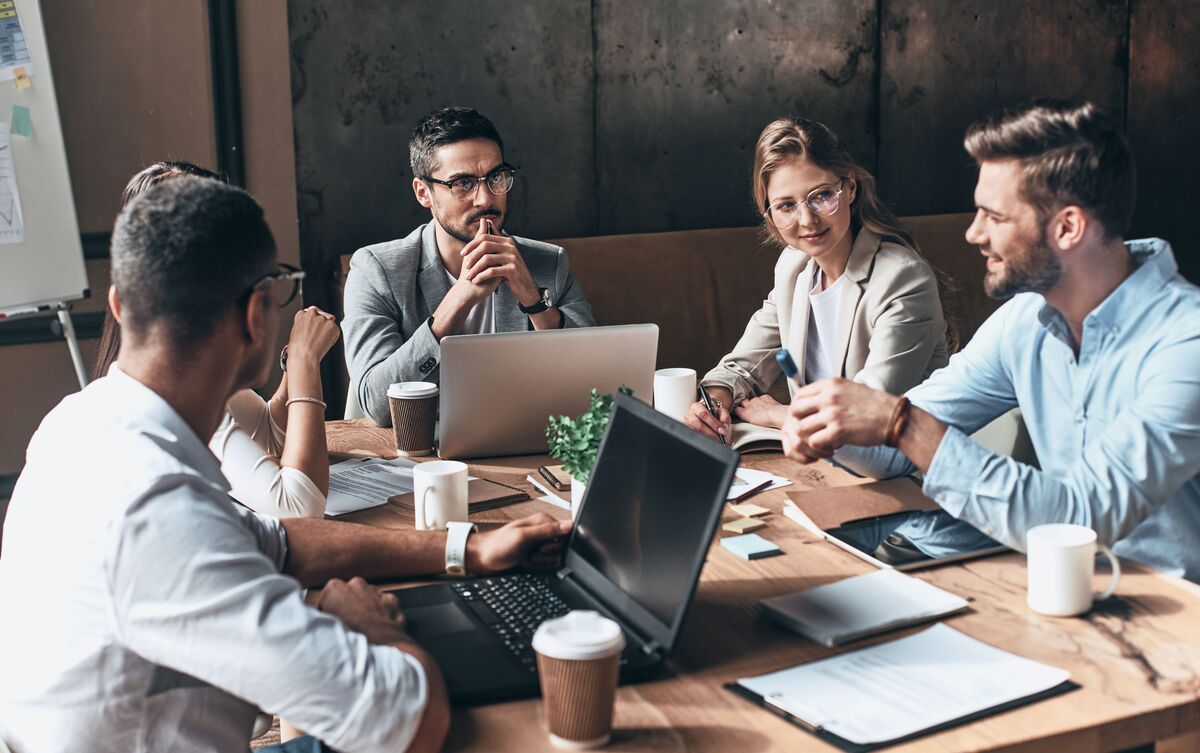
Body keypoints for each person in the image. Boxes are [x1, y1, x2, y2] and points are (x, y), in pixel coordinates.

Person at [0, 178, 573, 753]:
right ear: (256, 317)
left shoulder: (76, 423)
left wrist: (467, 549)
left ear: (120, 305)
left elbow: (282, 542)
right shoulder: (156, 512)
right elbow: (409, 719)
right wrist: (368, 624)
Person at [781, 99, 1200, 581]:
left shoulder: (1185, 343)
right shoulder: (1024, 321)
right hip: (1060, 589)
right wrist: (833, 422)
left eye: (994, 217)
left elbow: (1081, 518)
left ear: (1067, 227)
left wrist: (900, 423)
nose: (972, 233)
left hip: (1174, 622)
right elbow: (892, 449)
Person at [93, 161, 339, 518]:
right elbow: (298, 511)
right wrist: (304, 362)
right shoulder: (177, 395)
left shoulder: (99, 402)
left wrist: (293, 367)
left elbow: (267, 435)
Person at [684, 117, 952, 442]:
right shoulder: (793, 268)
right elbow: (743, 367)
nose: (807, 219)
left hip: (898, 474)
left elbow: (868, 414)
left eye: (822, 196)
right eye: (786, 205)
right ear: (768, 212)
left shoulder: (902, 278)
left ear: (850, 188)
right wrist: (713, 403)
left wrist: (779, 414)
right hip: (820, 462)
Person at [342, 106, 596, 425]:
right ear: (424, 193)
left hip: (521, 451)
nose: (485, 199)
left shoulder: (548, 263)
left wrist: (534, 301)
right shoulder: (377, 270)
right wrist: (458, 300)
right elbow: (378, 405)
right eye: (463, 183)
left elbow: (595, 385)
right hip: (419, 464)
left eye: (496, 178)